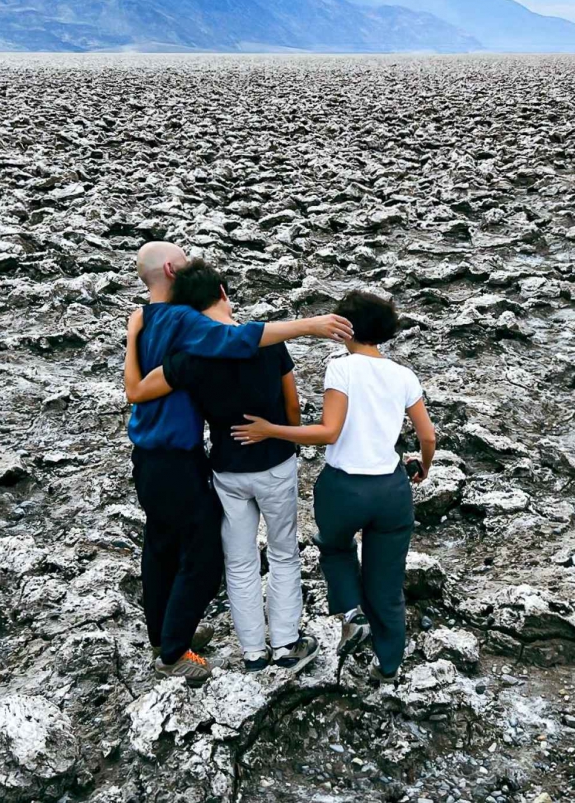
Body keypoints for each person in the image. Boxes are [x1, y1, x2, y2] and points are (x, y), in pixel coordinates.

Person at [125, 242, 351, 684]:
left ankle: (206, 643)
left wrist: (133, 338)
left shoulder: (152, 325)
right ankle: (184, 650)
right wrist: (310, 325)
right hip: (212, 460)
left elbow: (136, 391)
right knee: (227, 555)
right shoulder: (194, 330)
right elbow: (240, 342)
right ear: (174, 269)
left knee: (171, 547)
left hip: (181, 462)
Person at [232, 289, 436, 681]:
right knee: (387, 580)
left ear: (346, 329)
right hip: (391, 489)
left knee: (335, 547)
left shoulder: (341, 368)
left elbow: (328, 432)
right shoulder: (404, 375)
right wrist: (421, 466)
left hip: (344, 487)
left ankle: (351, 612)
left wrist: (270, 430)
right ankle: (388, 665)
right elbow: (427, 436)